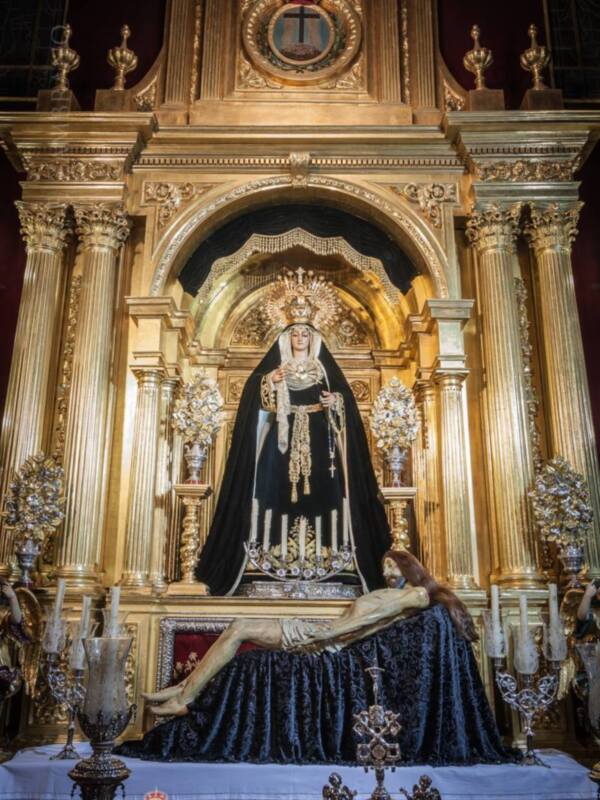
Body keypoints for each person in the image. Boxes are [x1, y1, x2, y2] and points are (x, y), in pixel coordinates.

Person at [196, 277, 392, 596]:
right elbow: (254, 404)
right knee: (272, 491)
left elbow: (345, 405)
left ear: (313, 338)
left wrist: (336, 402)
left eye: (305, 333)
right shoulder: (276, 369)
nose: (300, 337)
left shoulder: (324, 370)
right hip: (280, 442)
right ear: (287, 339)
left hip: (320, 442)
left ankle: (328, 559)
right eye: (295, 334)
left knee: (326, 495)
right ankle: (272, 556)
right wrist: (268, 382)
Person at [144, 553, 430, 717]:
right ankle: (184, 691)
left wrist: (325, 635)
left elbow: (371, 619)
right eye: (384, 564)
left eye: (392, 563)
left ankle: (183, 698)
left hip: (325, 641)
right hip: (322, 634)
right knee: (239, 625)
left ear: (409, 566)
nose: (385, 569)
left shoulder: (415, 594)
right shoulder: (392, 594)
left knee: (240, 627)